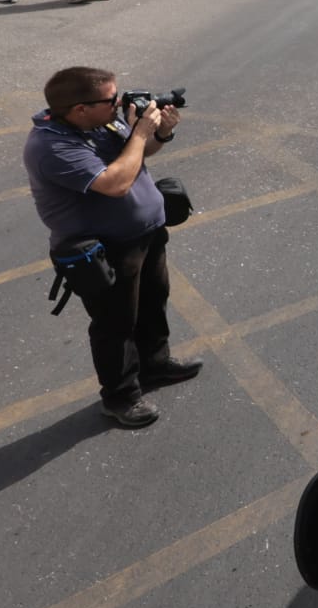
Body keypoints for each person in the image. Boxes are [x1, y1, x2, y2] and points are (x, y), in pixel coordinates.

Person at [24, 67, 198, 428]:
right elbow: (116, 182)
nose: (119, 102)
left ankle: (155, 365)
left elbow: (140, 153)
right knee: (115, 324)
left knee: (153, 301)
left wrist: (160, 132)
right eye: (110, 99)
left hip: (145, 235)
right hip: (107, 249)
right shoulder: (51, 146)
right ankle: (120, 397)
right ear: (79, 109)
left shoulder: (102, 123)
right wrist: (140, 132)